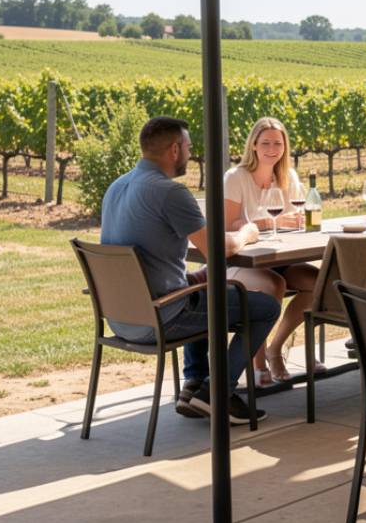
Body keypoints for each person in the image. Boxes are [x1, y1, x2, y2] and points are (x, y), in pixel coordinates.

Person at [100, 116, 280, 425]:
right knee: (264, 307)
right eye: (188, 146)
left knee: (207, 290)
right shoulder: (169, 192)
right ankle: (215, 392)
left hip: (122, 318)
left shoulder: (116, 186)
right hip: (161, 317)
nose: (191, 153)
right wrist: (247, 234)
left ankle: (194, 385)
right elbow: (217, 248)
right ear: (174, 150)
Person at [219, 117, 321, 386]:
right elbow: (227, 226)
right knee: (273, 285)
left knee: (317, 283)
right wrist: (266, 223)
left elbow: (296, 217)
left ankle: (277, 347)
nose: (272, 148)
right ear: (253, 145)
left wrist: (295, 221)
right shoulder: (235, 177)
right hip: (241, 262)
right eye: (265, 142)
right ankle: (259, 362)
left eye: (278, 142)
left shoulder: (288, 177)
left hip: (277, 257)